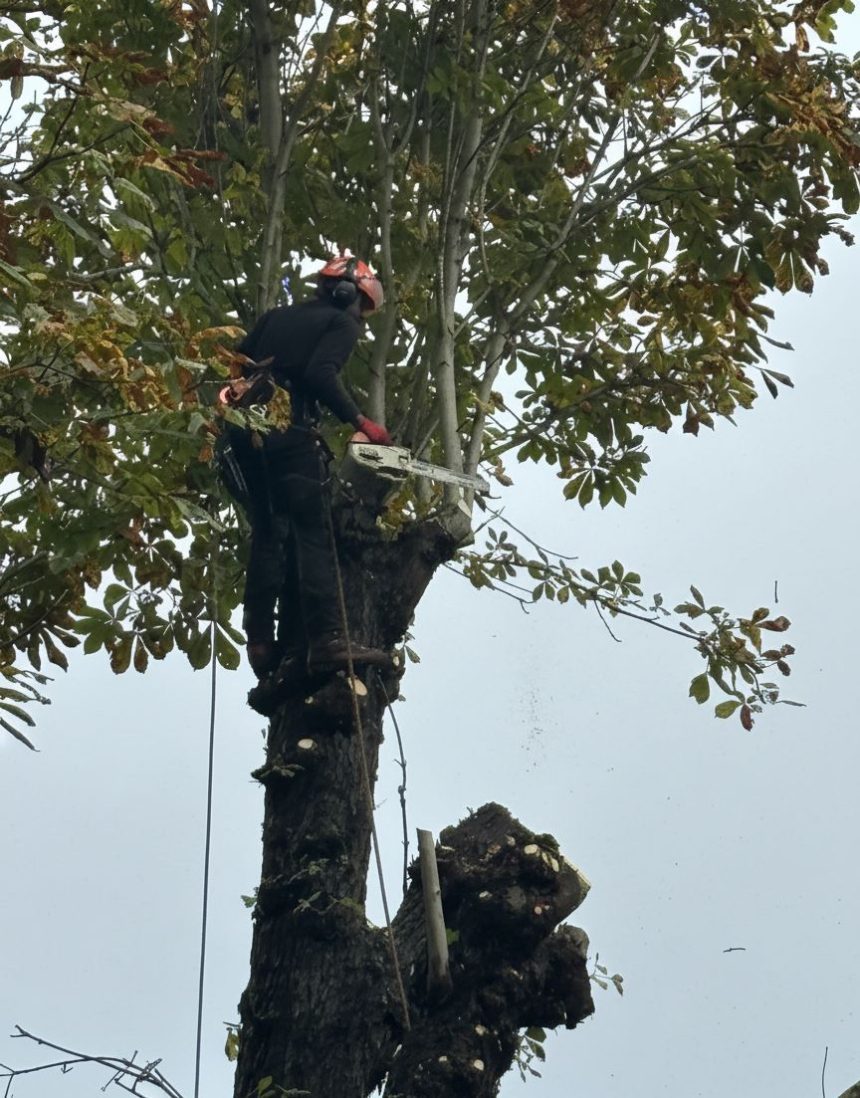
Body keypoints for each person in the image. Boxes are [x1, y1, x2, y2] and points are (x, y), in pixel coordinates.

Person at [220, 255, 392, 680]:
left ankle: (260, 640)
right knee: (314, 532)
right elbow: (320, 373)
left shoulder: (276, 315)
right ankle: (328, 639)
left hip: (246, 431)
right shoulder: (342, 324)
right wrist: (362, 422)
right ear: (348, 294)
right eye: (361, 307)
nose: (361, 318)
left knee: (268, 528)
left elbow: (237, 364)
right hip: (288, 431)